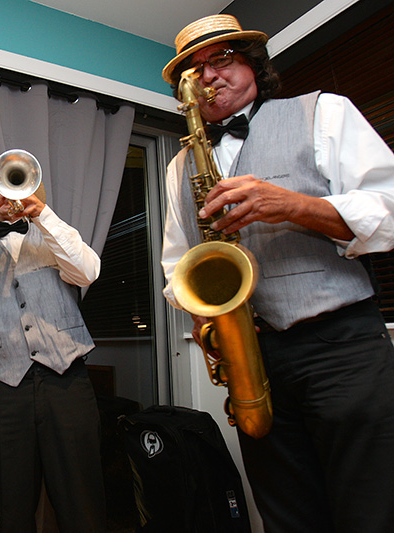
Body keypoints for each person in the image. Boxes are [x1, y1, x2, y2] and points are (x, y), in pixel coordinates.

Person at [160, 15, 394, 533]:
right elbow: (178, 264)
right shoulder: (179, 167)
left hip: (342, 348)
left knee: (372, 510)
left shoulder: (324, 112)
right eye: (194, 70)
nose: (208, 76)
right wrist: (201, 310)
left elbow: (389, 213)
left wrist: (294, 205)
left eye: (221, 59)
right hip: (254, 360)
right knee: (286, 517)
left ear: (253, 65)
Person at [0, 161, 106, 532]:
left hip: (66, 383)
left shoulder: (53, 239)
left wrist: (42, 213)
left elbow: (87, 270)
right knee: (11, 510)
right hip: (2, 389)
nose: (7, 199)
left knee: (82, 505)